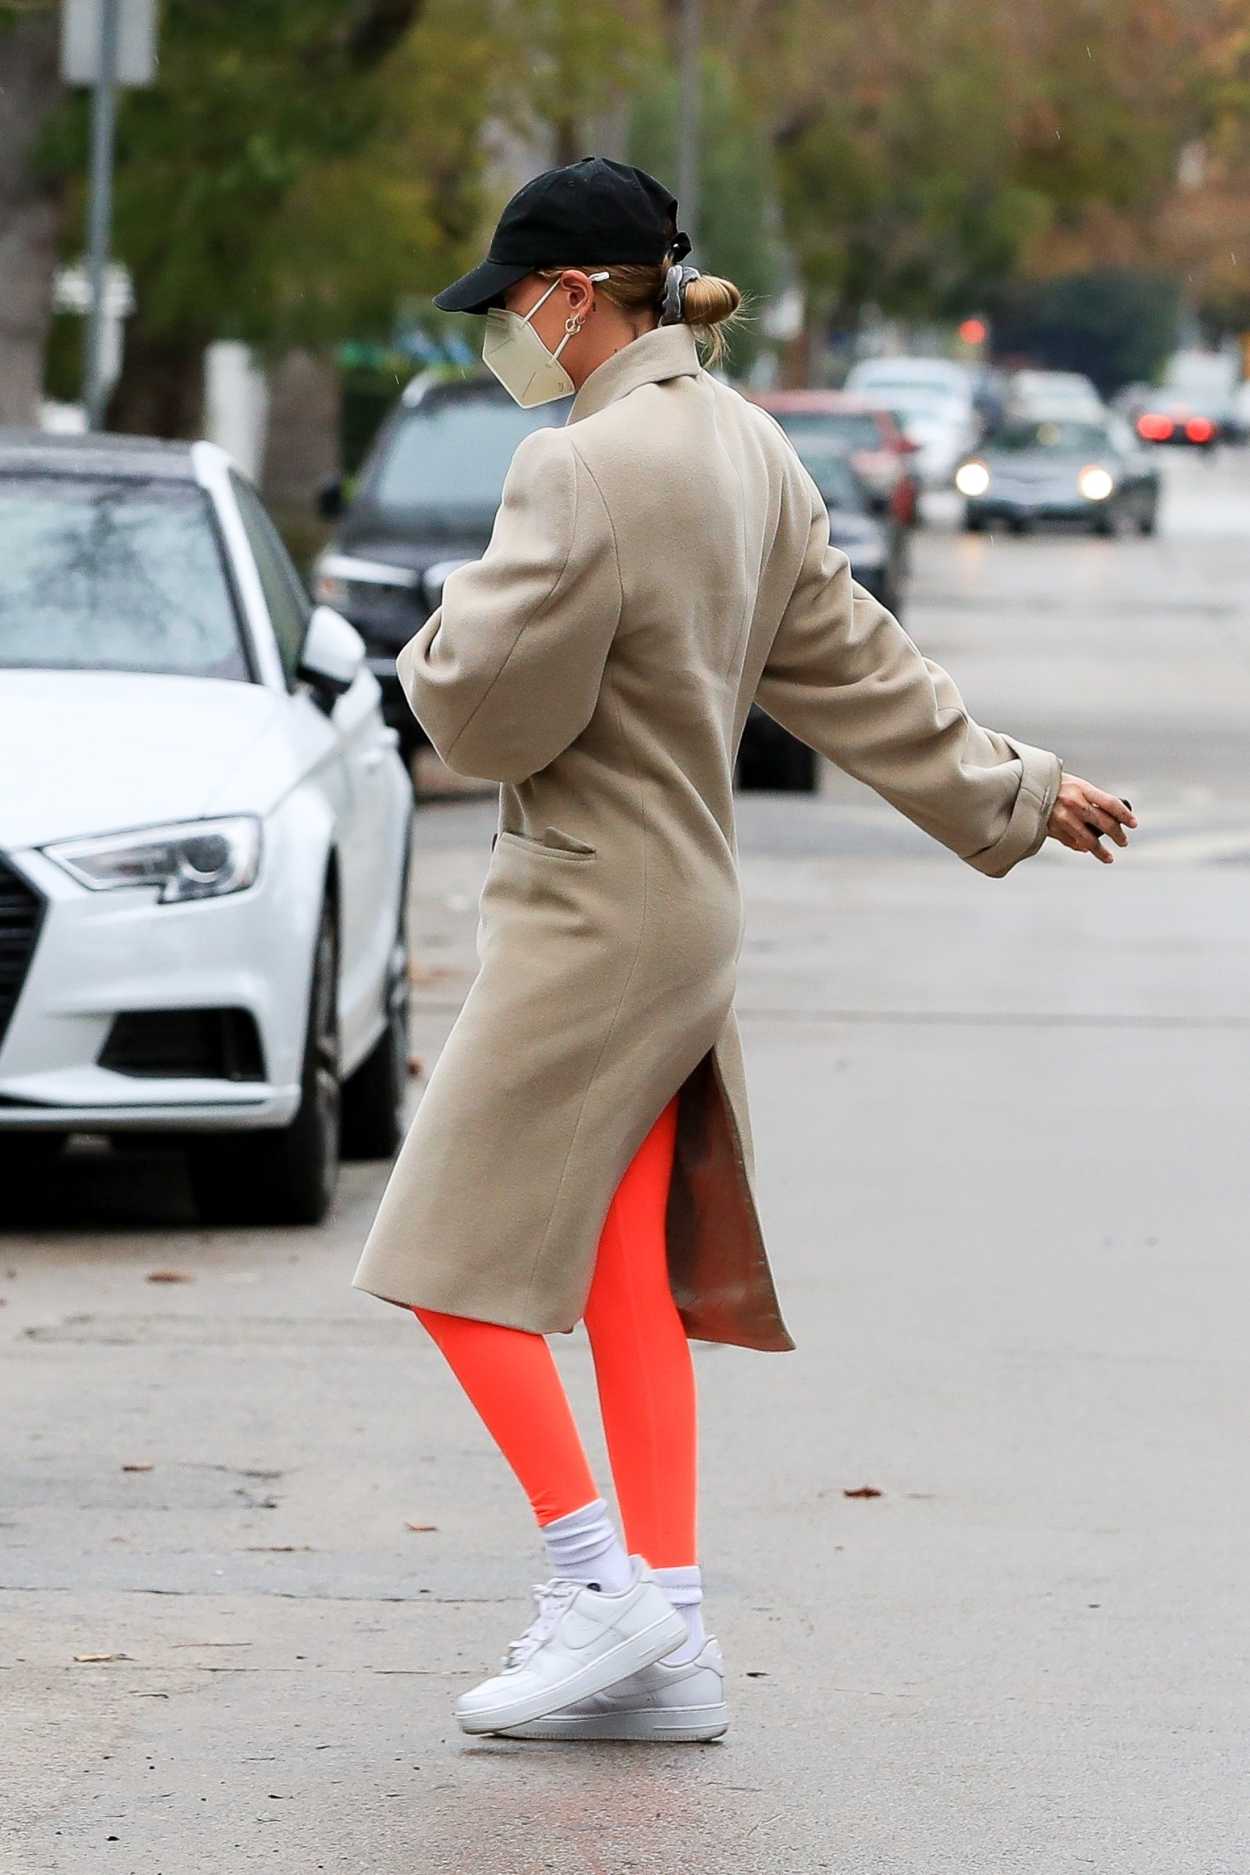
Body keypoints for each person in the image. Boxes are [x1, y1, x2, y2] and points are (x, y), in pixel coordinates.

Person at [352, 155, 1136, 1743]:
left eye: (510, 301)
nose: (503, 328)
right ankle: (676, 1639)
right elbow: (850, 663)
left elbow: (487, 706)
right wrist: (1018, 786)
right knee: (629, 1276)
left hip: (590, 912)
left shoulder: (577, 470)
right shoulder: (748, 444)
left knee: (441, 1260)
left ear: (576, 296)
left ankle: (598, 1590)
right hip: (686, 910)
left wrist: (439, 629)